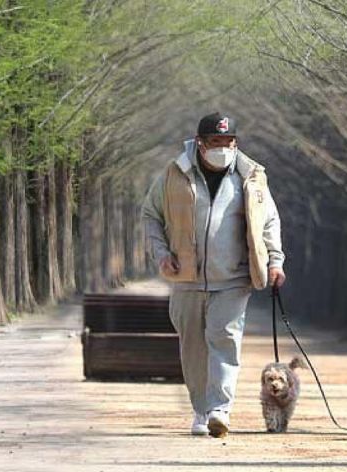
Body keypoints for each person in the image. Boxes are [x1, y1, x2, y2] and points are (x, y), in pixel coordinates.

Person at [141, 112, 286, 438]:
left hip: (233, 279)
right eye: (216, 142)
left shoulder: (251, 177)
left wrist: (274, 261)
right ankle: (201, 411)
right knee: (193, 347)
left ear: (236, 144)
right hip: (186, 278)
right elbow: (151, 215)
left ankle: (220, 410)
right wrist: (162, 255)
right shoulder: (174, 174)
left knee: (224, 340)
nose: (223, 148)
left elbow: (269, 221)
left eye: (228, 142)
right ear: (201, 143)